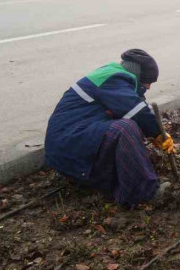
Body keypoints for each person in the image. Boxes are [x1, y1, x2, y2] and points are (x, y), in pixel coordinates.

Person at [45, 49, 173, 207]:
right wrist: (157, 133)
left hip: (73, 143)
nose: (149, 87)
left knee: (128, 124)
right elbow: (136, 111)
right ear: (138, 75)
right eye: (149, 81)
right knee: (125, 128)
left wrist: (153, 131)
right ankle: (143, 194)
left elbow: (136, 107)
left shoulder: (111, 78)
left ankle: (119, 180)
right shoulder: (112, 79)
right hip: (68, 145)